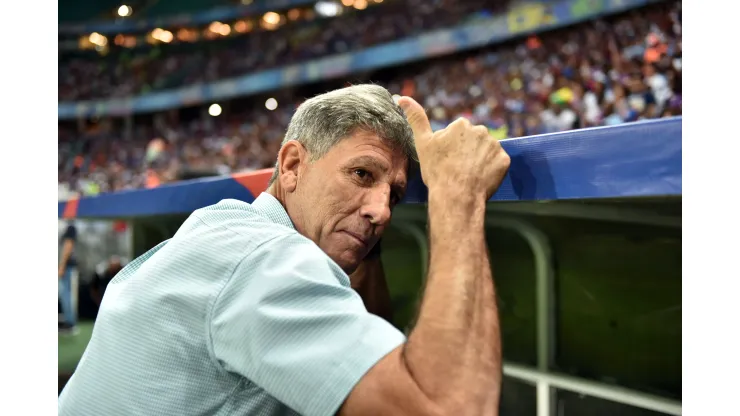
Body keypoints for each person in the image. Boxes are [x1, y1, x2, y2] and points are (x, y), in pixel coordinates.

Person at [58, 84, 511, 415]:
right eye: (361, 174)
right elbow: (449, 407)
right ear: (292, 165)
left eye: (393, 194)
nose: (383, 212)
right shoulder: (264, 260)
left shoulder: (223, 226)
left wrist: (360, 233)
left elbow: (364, 344)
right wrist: (458, 192)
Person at [58, 221, 79, 336]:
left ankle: (69, 323)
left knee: (66, 294)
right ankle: (68, 321)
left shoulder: (69, 227)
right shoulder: (66, 226)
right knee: (65, 294)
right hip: (66, 266)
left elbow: (68, 245)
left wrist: (62, 265)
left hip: (67, 266)